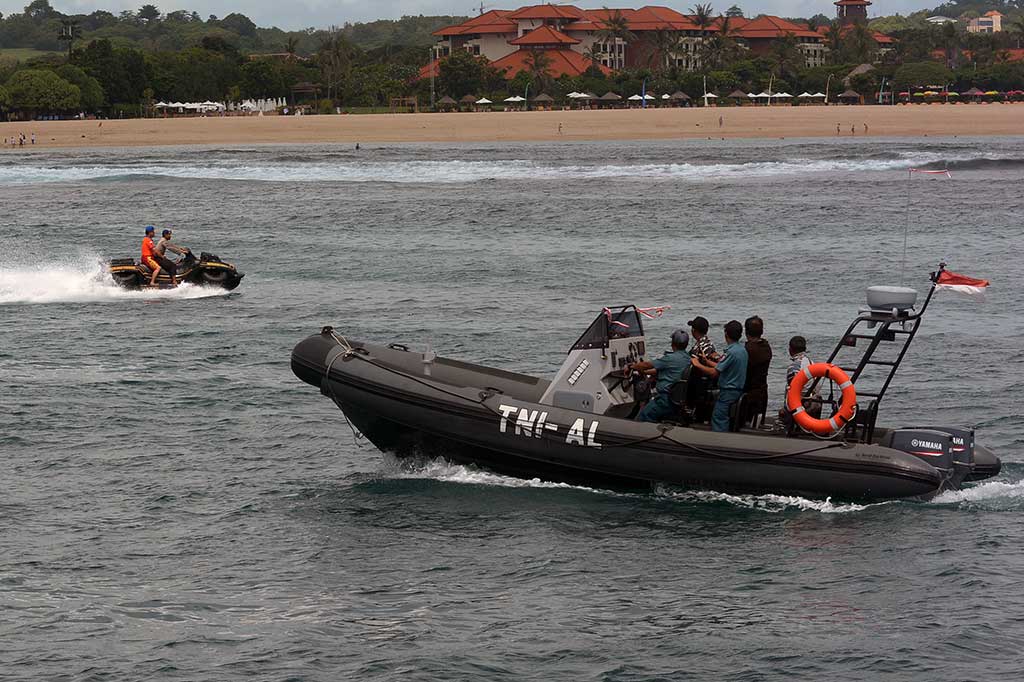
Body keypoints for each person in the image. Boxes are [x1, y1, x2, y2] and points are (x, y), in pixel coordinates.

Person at [691, 320, 748, 432]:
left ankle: (720, 442)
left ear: (726, 334)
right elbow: (723, 366)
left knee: (719, 418)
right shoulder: (742, 350)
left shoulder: (731, 352)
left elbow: (714, 372)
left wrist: (698, 365)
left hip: (728, 391)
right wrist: (706, 361)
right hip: (737, 389)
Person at [627, 329, 691, 423]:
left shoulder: (669, 359)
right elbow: (661, 371)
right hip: (677, 398)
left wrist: (632, 366)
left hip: (665, 400)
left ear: (672, 344)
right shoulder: (687, 358)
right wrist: (644, 372)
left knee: (644, 415)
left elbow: (647, 365)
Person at [777, 335, 822, 427]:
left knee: (782, 411)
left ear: (790, 350)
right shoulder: (812, 363)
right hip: (815, 401)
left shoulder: (794, 367)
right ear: (805, 348)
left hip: (803, 404)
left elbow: (793, 390)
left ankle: (787, 424)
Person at [742, 315, 772, 426]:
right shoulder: (766, 347)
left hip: (748, 393)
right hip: (762, 391)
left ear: (746, 332)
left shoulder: (748, 350)